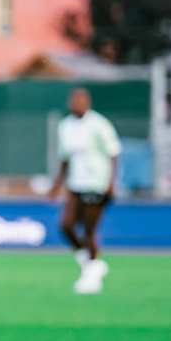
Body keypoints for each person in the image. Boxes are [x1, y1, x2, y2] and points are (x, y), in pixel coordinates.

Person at [49, 87, 121, 294]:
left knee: (89, 230)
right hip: (75, 183)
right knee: (66, 226)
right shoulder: (65, 126)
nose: (76, 104)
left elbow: (113, 153)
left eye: (80, 100)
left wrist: (111, 181)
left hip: (96, 182)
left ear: (87, 102)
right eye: (74, 100)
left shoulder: (99, 124)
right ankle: (92, 263)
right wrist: (57, 184)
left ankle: (92, 274)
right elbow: (65, 157)